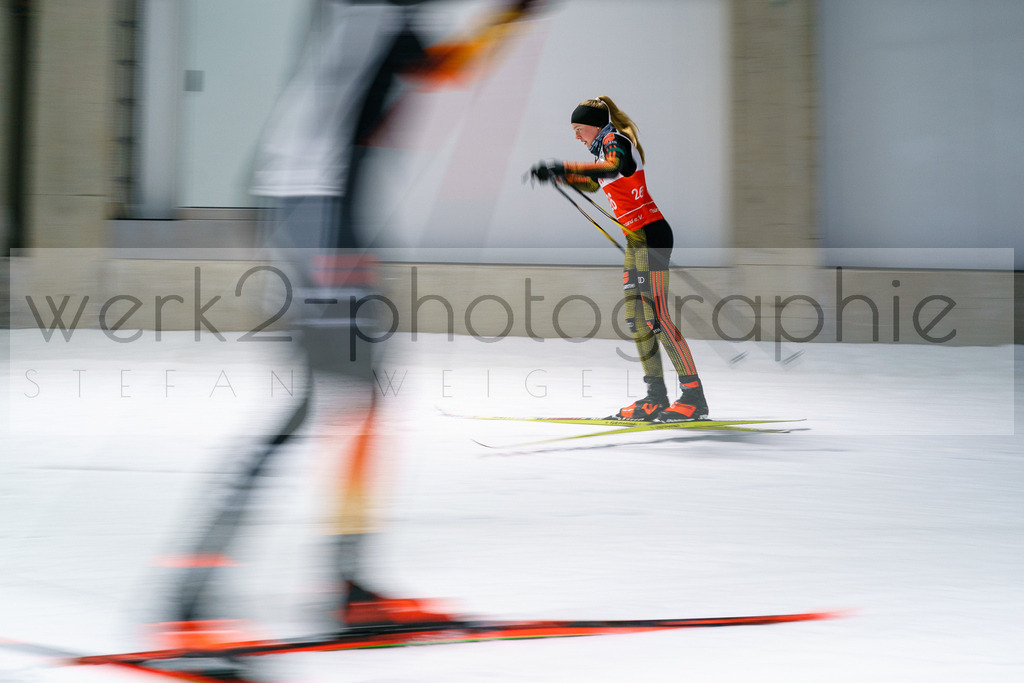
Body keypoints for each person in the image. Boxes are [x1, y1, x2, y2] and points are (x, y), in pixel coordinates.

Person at [530, 96, 709, 422]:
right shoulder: (601, 149)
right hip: (635, 241)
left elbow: (615, 166)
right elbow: (594, 181)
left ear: (594, 126)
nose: (576, 136)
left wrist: (565, 166)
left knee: (657, 319)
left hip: (652, 236)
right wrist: (559, 177)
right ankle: (655, 396)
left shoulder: (616, 141)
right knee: (636, 320)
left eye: (578, 129)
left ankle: (693, 396)